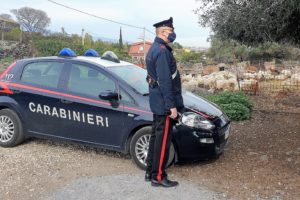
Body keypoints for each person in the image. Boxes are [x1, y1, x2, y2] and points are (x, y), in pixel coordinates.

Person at [145, 17, 184, 188]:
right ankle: (158, 177)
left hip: (157, 102)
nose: (173, 33)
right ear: (162, 32)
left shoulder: (155, 48)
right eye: (170, 30)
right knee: (162, 142)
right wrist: (171, 106)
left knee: (155, 137)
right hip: (164, 104)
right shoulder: (161, 51)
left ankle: (149, 171)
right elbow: (165, 81)